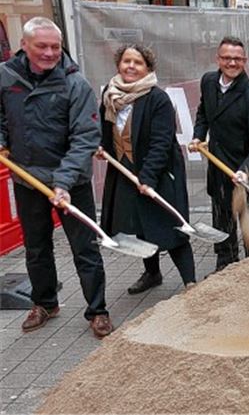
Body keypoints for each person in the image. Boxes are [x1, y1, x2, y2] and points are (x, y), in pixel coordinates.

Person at [0, 17, 112, 338]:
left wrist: (63, 182)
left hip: (71, 180)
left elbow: (85, 138)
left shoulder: (75, 84)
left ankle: (98, 309)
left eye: (55, 47)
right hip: (27, 178)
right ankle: (45, 302)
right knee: (36, 247)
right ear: (24, 45)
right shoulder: (6, 76)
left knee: (85, 248)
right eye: (42, 46)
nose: (50, 53)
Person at [99, 44, 195, 295]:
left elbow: (161, 142)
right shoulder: (110, 96)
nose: (131, 66)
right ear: (118, 64)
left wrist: (148, 177)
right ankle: (152, 273)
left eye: (137, 62)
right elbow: (108, 132)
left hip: (160, 172)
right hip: (125, 170)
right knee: (140, 226)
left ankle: (191, 283)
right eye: (126, 61)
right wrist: (102, 148)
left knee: (170, 225)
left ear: (148, 68)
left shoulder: (157, 99)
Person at [188, 37, 249, 272]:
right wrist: (198, 135)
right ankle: (225, 268)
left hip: (245, 173)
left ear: (244, 61)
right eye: (226, 58)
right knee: (222, 225)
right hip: (218, 169)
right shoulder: (209, 81)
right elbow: (203, 113)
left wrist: (246, 171)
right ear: (218, 59)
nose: (231, 62)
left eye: (237, 59)